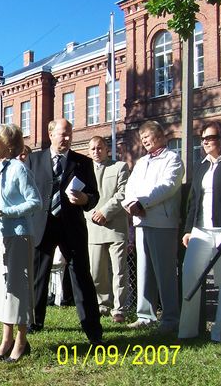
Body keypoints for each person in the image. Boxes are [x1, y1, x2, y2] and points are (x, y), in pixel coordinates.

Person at [25, 118, 103, 345]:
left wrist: (85, 198)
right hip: (42, 226)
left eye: (69, 133)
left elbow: (94, 196)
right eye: (62, 134)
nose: (67, 138)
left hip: (72, 227)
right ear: (51, 134)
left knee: (81, 277)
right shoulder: (34, 160)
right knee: (38, 276)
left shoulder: (82, 163)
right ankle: (33, 322)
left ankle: (92, 328)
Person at [179, 120, 221, 342]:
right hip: (201, 231)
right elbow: (194, 201)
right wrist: (188, 229)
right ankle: (187, 331)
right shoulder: (201, 166)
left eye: (210, 137)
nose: (205, 142)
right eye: (203, 138)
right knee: (190, 277)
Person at [0, 123, 41, 363]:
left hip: (19, 235)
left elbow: (35, 201)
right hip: (2, 238)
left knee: (18, 289)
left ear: (8, 144)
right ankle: (6, 339)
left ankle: (21, 340)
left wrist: (6, 212)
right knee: (4, 290)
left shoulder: (19, 168)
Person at [122, 120, 184, 334]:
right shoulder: (141, 162)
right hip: (141, 222)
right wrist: (130, 204)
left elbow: (167, 186)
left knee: (165, 271)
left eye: (148, 136)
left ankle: (170, 318)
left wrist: (142, 203)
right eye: (143, 138)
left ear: (161, 136)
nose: (145, 140)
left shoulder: (173, 159)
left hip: (162, 222)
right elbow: (130, 186)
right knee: (144, 270)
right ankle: (145, 315)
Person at [85, 136, 130, 323]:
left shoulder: (120, 167)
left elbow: (123, 193)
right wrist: (92, 214)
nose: (97, 151)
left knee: (119, 270)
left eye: (100, 148)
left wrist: (105, 212)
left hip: (115, 226)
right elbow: (79, 196)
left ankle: (119, 308)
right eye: (93, 148)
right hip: (93, 227)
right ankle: (102, 304)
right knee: (96, 271)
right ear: (89, 151)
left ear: (106, 149)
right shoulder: (84, 171)